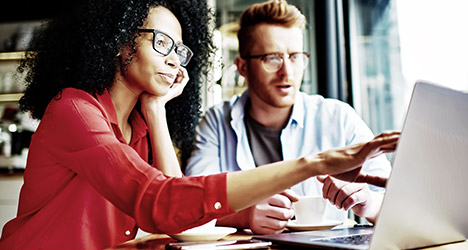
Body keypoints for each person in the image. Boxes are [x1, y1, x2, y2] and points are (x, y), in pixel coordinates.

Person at [0, 0, 399, 249]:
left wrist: (156, 111)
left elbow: (176, 215)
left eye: (180, 49)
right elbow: (158, 203)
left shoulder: (140, 124)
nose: (174, 59)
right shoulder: (74, 110)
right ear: (120, 42)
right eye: (161, 42)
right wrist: (316, 164)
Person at [185, 0, 392, 235]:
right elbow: (191, 204)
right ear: (242, 67)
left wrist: (369, 204)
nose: (287, 71)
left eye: (295, 56)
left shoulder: (339, 118)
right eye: (272, 58)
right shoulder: (216, 122)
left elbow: (399, 204)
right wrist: (243, 216)